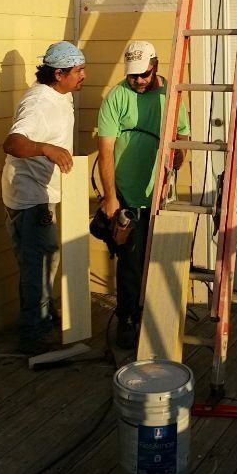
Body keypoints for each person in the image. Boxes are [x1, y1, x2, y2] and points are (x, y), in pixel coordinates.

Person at [97, 40, 189, 349]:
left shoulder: (171, 95)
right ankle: (126, 320)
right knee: (130, 259)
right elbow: (105, 149)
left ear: (156, 66)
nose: (137, 80)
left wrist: (180, 155)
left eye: (144, 75)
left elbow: (182, 133)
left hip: (160, 194)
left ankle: (155, 317)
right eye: (133, 75)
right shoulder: (117, 96)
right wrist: (111, 197)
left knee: (159, 257)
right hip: (127, 193)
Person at [1, 41, 86, 355]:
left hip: (41, 193)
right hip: (29, 196)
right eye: (78, 70)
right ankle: (33, 335)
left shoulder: (60, 96)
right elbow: (13, 143)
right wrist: (46, 149)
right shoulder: (39, 103)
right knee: (37, 264)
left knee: (45, 259)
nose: (83, 75)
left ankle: (43, 318)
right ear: (59, 73)